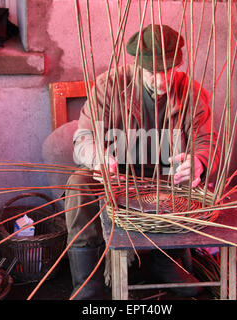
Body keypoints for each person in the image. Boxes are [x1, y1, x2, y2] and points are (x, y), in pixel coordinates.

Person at [65, 24, 220, 300]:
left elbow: (207, 141)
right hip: (116, 177)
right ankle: (88, 284)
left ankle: (167, 264)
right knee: (78, 183)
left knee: (195, 182)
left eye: (168, 70)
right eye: (153, 72)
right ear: (137, 64)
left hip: (164, 179)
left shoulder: (192, 92)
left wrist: (198, 161)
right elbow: (83, 139)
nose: (161, 81)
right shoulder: (108, 86)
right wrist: (99, 157)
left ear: (178, 64)